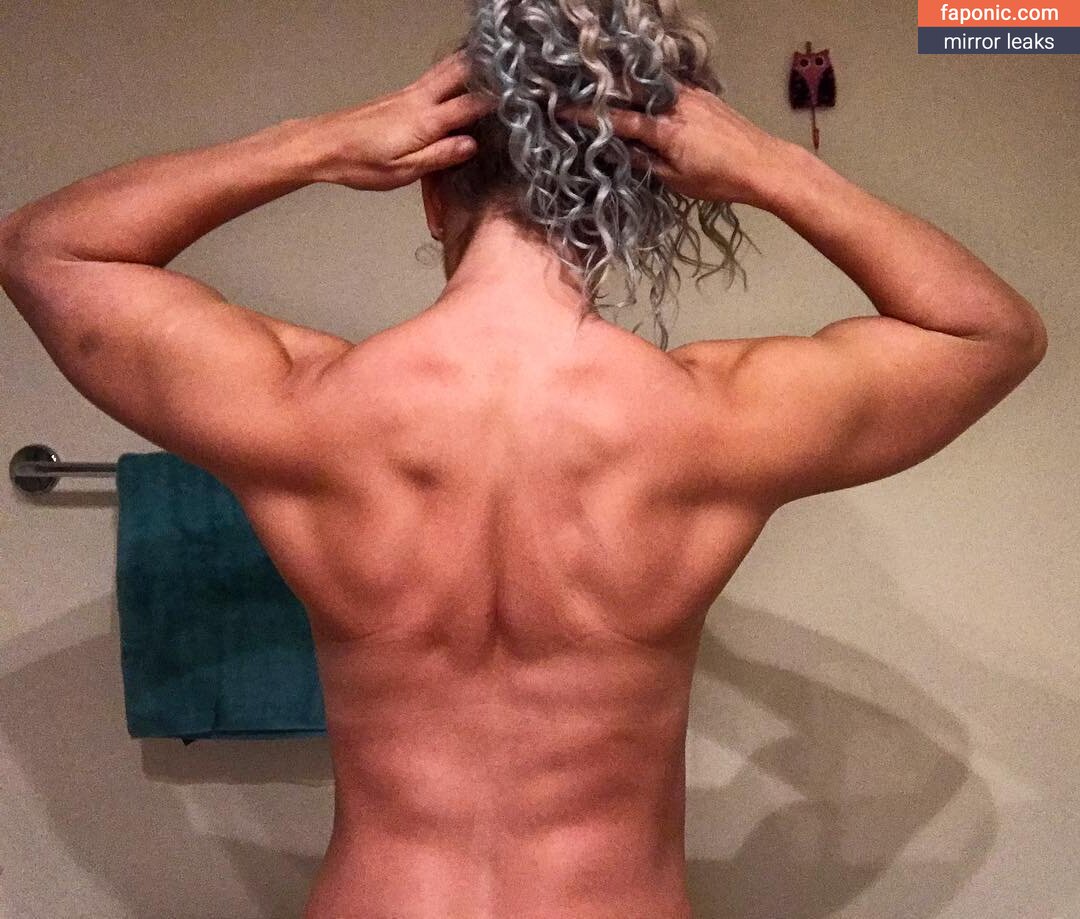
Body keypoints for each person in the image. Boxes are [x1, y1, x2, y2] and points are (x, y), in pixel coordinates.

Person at [0, 3, 1046, 916]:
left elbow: (44, 249)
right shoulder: (709, 422)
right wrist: (775, 167)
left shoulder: (304, 409)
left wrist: (314, 143)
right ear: (626, 207)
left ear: (430, 192)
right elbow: (988, 333)